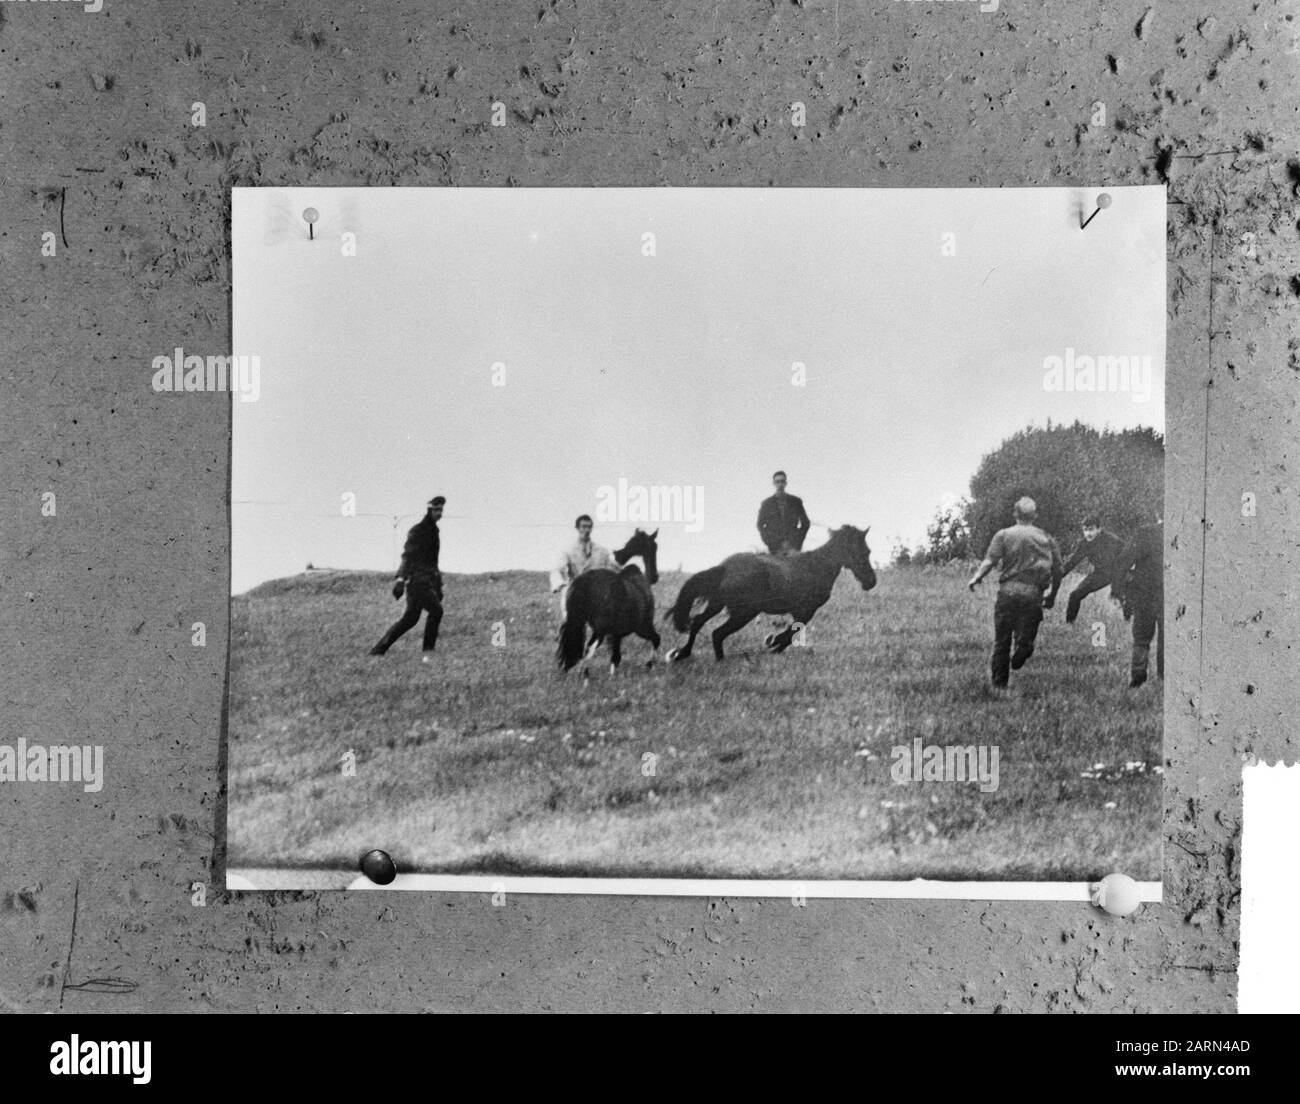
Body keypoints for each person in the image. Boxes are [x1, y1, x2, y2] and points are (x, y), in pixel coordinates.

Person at [968, 496, 1063, 690]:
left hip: (1008, 593)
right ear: (1034, 516)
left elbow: (990, 561)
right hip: (1033, 594)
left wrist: (976, 577)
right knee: (1026, 635)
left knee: (1002, 641)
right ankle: (1023, 647)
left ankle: (999, 685)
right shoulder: (1046, 537)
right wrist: (1052, 595)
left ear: (1015, 514)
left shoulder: (1003, 535)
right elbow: (1058, 569)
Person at [369, 496, 445, 661]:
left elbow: (433, 563)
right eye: (436, 510)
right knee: (436, 611)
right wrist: (400, 580)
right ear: (429, 510)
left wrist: (438, 585)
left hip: (426, 581)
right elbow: (407, 556)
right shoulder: (418, 531)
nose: (439, 513)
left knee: (410, 619)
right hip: (418, 581)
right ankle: (428, 651)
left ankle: (378, 650)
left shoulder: (433, 531)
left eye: (441, 510)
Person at [1114, 515, 1163, 688]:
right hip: (1170, 595)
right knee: (1167, 637)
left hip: (1144, 595)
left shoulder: (1144, 533)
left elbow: (1123, 561)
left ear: (1157, 514)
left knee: (1141, 638)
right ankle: (1164, 678)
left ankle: (1138, 676)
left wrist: (1118, 589)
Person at [1060, 515, 1128, 624]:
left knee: (1124, 599)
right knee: (1074, 595)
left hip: (1120, 572)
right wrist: (1055, 577)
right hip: (1100, 574)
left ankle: (1127, 623)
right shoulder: (1084, 544)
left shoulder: (1112, 540)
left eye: (1091, 529)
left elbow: (1129, 555)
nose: (1088, 534)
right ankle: (1069, 624)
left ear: (1099, 529)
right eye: (1085, 530)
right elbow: (1072, 562)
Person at [550, 514, 617, 621]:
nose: (587, 530)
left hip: (597, 597)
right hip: (575, 594)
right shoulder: (568, 550)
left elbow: (612, 569)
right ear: (577, 528)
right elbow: (558, 569)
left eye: (589, 527)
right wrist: (560, 584)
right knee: (569, 625)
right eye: (584, 527)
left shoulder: (602, 551)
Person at [756, 470, 811, 555]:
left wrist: (798, 540)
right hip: (775, 549)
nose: (780, 484)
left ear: (786, 483)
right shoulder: (766, 504)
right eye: (777, 482)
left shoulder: (796, 502)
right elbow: (760, 525)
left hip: (793, 547)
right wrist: (770, 542)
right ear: (774, 483)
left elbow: (805, 523)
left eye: (782, 481)